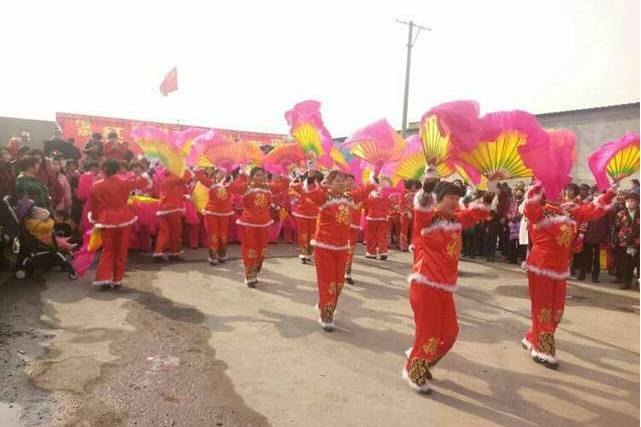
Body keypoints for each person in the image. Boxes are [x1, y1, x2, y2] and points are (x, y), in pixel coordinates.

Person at [403, 180, 494, 393]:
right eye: (450, 198)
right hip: (425, 284)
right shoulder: (427, 219)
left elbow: (476, 214)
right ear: (438, 198)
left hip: (445, 287)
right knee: (429, 333)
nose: (454, 202)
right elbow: (422, 207)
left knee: (450, 332)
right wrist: (426, 188)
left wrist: (490, 189)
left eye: (456, 198)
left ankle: (422, 359)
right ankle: (414, 372)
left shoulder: (455, 220)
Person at [521, 181, 616, 368]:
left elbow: (593, 209)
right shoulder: (539, 210)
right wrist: (537, 185)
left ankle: (531, 337)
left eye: (560, 189)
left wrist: (611, 191)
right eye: (552, 189)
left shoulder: (571, 210)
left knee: (557, 311)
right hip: (540, 266)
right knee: (544, 310)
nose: (558, 193)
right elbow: (530, 209)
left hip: (560, 268)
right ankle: (542, 349)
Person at [299, 170, 376, 331]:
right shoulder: (324, 197)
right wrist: (311, 175)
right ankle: (326, 316)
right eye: (338, 180)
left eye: (344, 180)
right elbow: (310, 191)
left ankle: (323, 304)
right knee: (328, 282)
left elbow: (365, 191)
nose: (342, 183)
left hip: (342, 247)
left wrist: (375, 172)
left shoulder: (349, 198)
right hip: (324, 246)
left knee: (339, 283)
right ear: (330, 183)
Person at [89, 159, 148, 290]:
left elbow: (93, 206)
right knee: (121, 250)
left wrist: (95, 219)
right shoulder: (125, 182)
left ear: (103, 169)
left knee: (108, 251)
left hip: (106, 219)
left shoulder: (96, 186)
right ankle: (117, 280)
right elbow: (144, 182)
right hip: (124, 218)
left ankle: (104, 279)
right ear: (117, 169)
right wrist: (141, 173)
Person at [228, 167, 289, 287]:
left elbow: (283, 186)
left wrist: (285, 171)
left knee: (261, 250)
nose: (260, 177)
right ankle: (249, 276)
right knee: (250, 249)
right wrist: (239, 175)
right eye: (257, 175)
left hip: (264, 223)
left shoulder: (268, 187)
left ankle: (255, 273)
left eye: (262, 175)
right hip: (249, 222)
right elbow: (230, 187)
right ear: (252, 176)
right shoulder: (246, 187)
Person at [153, 169, 193, 262]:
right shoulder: (174, 179)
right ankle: (173, 253)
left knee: (163, 233)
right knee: (175, 232)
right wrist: (186, 168)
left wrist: (184, 197)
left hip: (163, 209)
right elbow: (185, 178)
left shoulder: (164, 180)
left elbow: (173, 195)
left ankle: (158, 252)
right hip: (173, 209)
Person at [195, 167, 233, 265]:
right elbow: (200, 176)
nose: (222, 174)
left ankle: (222, 255)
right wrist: (203, 166)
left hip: (225, 213)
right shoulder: (211, 184)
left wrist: (243, 174)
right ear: (215, 174)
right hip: (211, 213)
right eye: (220, 172)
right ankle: (213, 256)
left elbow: (242, 188)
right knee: (213, 235)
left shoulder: (229, 185)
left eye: (224, 173)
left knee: (223, 236)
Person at [610, 192, 640, 290]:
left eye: (632, 200)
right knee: (626, 264)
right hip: (624, 243)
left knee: (639, 264)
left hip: (638, 243)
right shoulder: (621, 213)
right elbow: (615, 227)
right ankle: (626, 282)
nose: (630, 202)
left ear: (637, 202)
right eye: (628, 200)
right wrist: (614, 241)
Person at [290, 171, 321, 264]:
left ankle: (309, 254)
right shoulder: (303, 186)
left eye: (315, 178)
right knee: (303, 234)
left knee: (312, 235)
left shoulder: (319, 189)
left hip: (314, 215)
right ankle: (303, 253)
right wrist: (295, 179)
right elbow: (292, 185)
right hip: (302, 214)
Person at [364, 176, 393, 260]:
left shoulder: (371, 193)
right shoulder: (388, 193)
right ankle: (383, 251)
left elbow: (366, 203)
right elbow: (390, 205)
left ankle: (371, 252)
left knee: (371, 235)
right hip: (383, 217)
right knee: (382, 235)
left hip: (372, 216)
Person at [399, 180, 421, 252]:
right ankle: (403, 246)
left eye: (416, 185)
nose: (415, 186)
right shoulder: (403, 193)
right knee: (403, 230)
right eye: (414, 185)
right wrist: (406, 212)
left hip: (415, 214)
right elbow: (401, 204)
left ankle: (412, 245)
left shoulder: (418, 194)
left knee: (414, 230)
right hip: (405, 215)